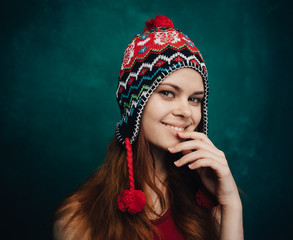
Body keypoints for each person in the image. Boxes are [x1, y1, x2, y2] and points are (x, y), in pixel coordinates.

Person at [54, 14, 244, 240]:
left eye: (195, 99)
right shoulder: (79, 216)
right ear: (135, 104)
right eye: (167, 93)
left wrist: (231, 203)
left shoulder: (210, 198)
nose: (185, 111)